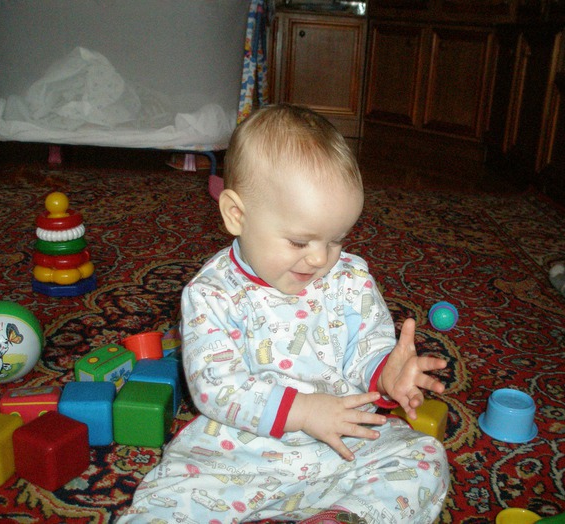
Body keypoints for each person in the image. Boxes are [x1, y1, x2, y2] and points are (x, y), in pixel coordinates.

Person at [117, 104, 450, 524]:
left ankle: (340, 518)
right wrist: (304, 411)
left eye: (336, 239)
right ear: (236, 215)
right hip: (238, 453)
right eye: (298, 241)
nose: (320, 258)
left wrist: (385, 373)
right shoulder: (212, 293)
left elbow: (367, 346)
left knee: (423, 457)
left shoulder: (350, 279)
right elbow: (216, 387)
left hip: (341, 443)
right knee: (168, 504)